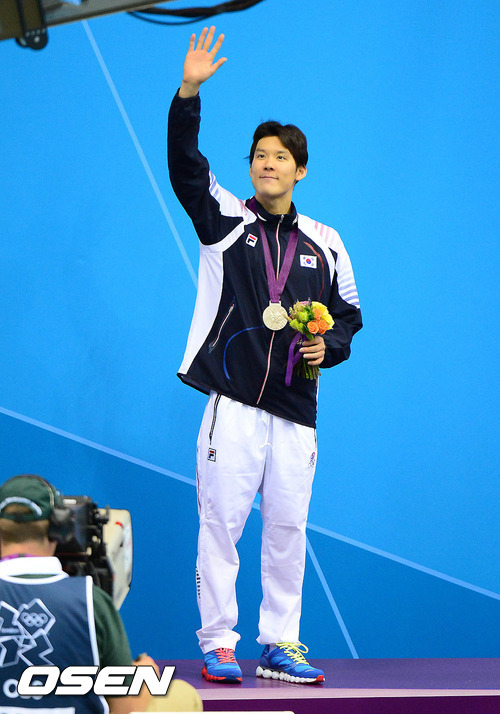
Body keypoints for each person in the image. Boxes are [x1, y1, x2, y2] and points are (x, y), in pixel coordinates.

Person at [168, 27, 362, 685]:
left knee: (288, 530)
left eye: (280, 157)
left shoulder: (327, 242)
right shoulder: (226, 221)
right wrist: (188, 93)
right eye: (258, 156)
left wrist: (329, 347)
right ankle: (219, 643)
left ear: (300, 170)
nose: (267, 164)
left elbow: (348, 318)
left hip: (297, 409)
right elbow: (186, 166)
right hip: (234, 405)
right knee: (220, 527)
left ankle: (281, 644)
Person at [0, 474, 202, 713]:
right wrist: (144, 674)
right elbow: (126, 706)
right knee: (182, 695)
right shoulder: (91, 601)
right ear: (60, 528)